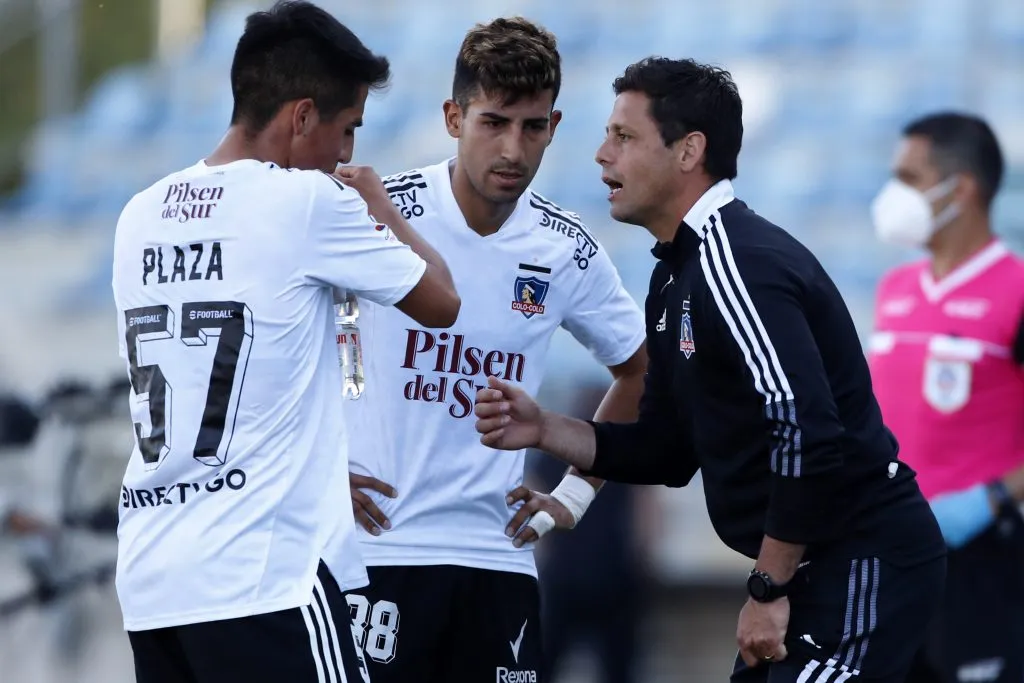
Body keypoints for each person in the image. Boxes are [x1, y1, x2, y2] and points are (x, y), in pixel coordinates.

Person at [475, 56, 949, 683]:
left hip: (862, 556)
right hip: (811, 565)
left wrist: (766, 588)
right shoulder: (676, 274)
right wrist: (545, 429)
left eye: (623, 136)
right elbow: (668, 451)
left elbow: (804, 430)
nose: (600, 154)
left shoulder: (739, 262)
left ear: (688, 150)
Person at [110, 2, 460, 682]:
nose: (348, 153)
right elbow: (442, 301)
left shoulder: (138, 213)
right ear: (301, 117)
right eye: (347, 128)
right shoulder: (306, 203)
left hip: (154, 578)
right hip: (262, 576)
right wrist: (379, 204)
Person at [332, 17, 647, 683]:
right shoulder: (377, 213)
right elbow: (284, 347)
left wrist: (575, 496)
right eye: (494, 122)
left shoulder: (564, 247)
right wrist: (315, 474)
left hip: (496, 560)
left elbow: (641, 369)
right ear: (454, 116)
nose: (513, 147)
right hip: (378, 552)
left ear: (555, 127)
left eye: (532, 127)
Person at [867, 112, 1024, 683]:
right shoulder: (895, 291)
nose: (892, 195)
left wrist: (989, 501)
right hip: (892, 555)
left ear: (961, 188)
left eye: (908, 178)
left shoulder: (1017, 290)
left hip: (980, 559)